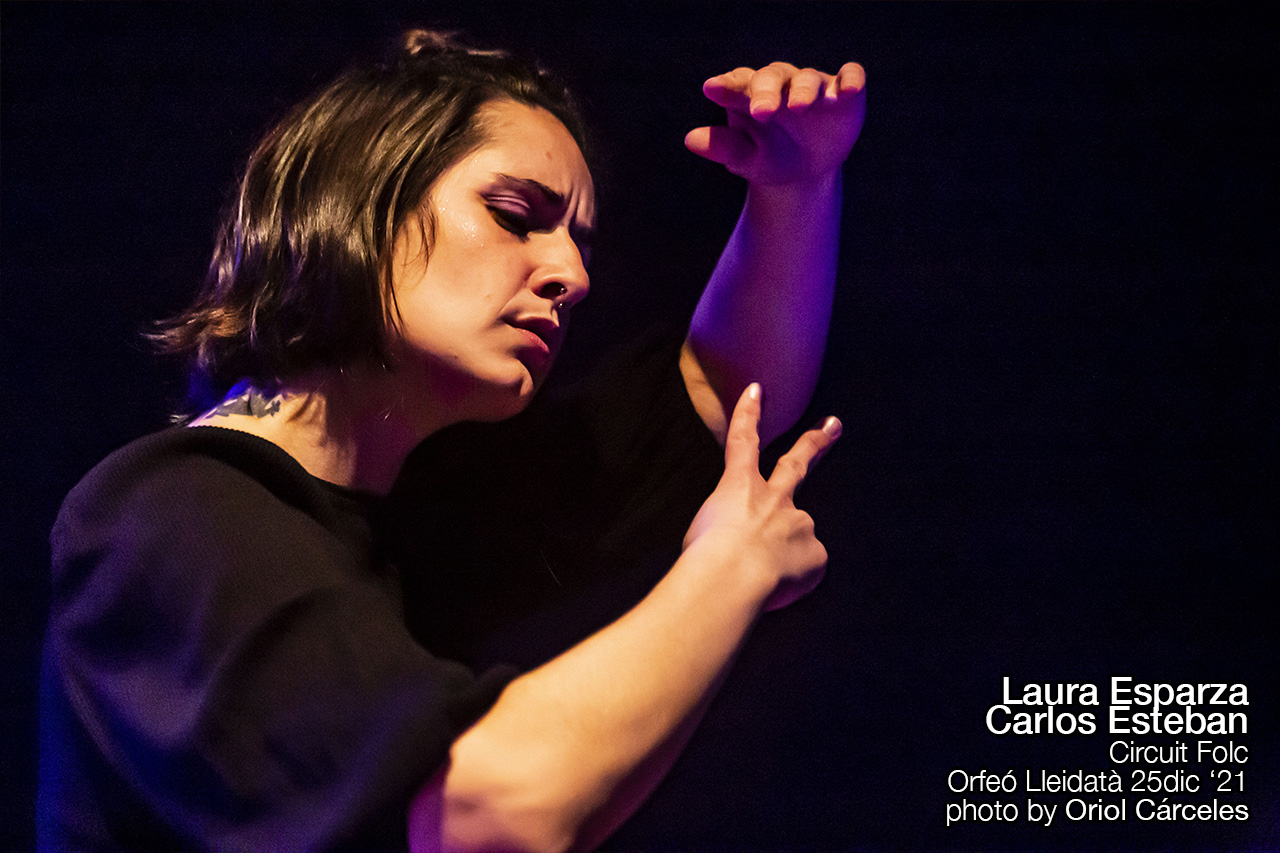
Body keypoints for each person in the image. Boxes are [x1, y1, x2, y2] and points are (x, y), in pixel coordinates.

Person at [38, 29, 865, 852]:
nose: (574, 276)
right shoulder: (177, 516)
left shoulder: (424, 505)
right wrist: (731, 569)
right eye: (515, 216)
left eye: (578, 241)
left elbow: (720, 393)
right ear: (364, 199)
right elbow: (493, 810)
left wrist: (796, 186)